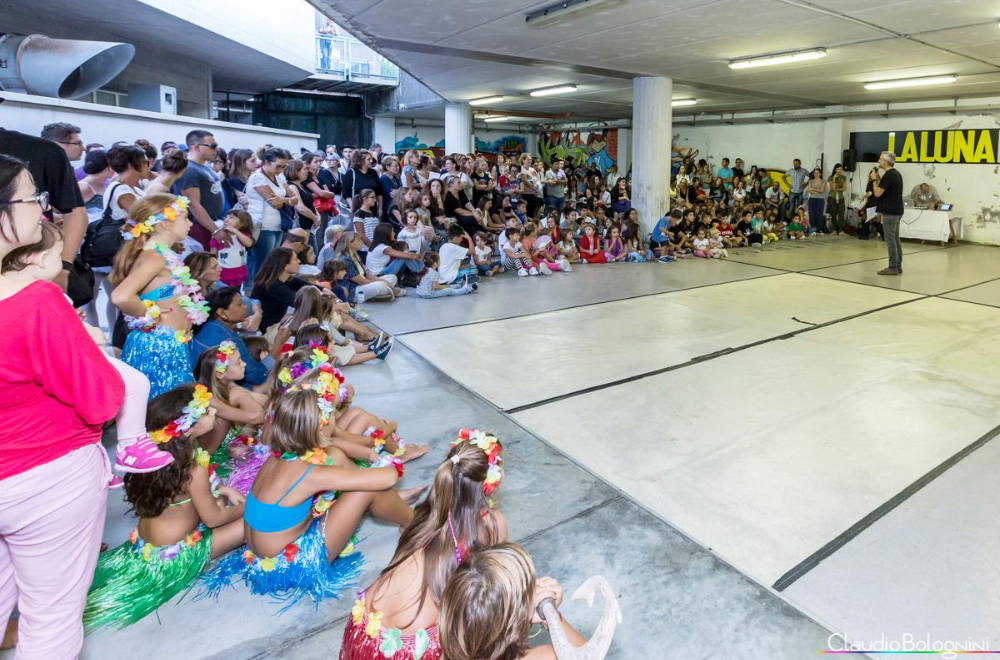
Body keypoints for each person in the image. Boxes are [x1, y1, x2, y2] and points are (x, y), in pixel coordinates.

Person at [0, 153, 125, 657]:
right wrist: (89, 348)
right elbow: (101, 400)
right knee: (49, 620)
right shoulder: (32, 299)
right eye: (33, 197)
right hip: (43, 475)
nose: (44, 208)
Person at [200, 381, 423, 608]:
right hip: (291, 563)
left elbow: (331, 451)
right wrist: (382, 460)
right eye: (331, 417)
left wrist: (348, 450)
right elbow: (388, 478)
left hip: (258, 556)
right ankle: (415, 523)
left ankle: (395, 507)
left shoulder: (278, 456)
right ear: (319, 427)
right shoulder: (310, 473)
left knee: (337, 458)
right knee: (365, 489)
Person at [83, 385, 246, 631]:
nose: (213, 411)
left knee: (226, 496)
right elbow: (214, 519)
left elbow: (189, 498)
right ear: (189, 427)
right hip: (175, 555)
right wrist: (249, 504)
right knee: (258, 519)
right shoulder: (193, 469)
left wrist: (222, 490)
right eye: (206, 411)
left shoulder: (158, 457)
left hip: (142, 546)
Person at [339, 430, 505, 660]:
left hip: (361, 632)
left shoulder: (424, 512)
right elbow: (490, 591)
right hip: (405, 651)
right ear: (491, 482)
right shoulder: (491, 523)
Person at [111, 194, 209, 400]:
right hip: (159, 348)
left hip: (171, 346)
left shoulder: (161, 254)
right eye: (185, 217)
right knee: (163, 416)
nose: (190, 223)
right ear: (165, 223)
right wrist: (148, 314)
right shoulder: (154, 257)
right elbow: (121, 296)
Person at [438, 542, 586, 660]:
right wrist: (551, 615)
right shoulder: (545, 656)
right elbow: (584, 654)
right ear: (513, 623)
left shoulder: (452, 647)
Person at [0, 129, 88, 293]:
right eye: (34, 198)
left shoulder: (42, 150)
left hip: (33, 272)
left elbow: (75, 212)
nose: (43, 207)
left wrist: (64, 268)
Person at [191, 287, 270, 387]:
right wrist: (277, 346)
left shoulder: (209, 326)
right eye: (239, 304)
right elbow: (257, 376)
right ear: (222, 312)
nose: (245, 307)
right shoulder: (228, 339)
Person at [173, 130, 229, 251]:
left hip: (209, 224)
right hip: (199, 226)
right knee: (201, 266)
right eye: (213, 146)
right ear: (197, 147)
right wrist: (215, 230)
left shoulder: (205, 167)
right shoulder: (190, 169)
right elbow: (193, 204)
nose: (216, 150)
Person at [245, 148, 291, 284]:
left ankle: (261, 295)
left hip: (278, 225)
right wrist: (287, 200)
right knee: (261, 265)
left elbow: (294, 199)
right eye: (278, 166)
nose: (281, 169)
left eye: (284, 166)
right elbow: (275, 203)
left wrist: (283, 200)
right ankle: (253, 296)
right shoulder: (257, 177)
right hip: (262, 225)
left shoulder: (279, 176)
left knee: (271, 264)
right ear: (266, 162)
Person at [333, 231, 403, 302]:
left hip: (363, 285)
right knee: (380, 285)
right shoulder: (345, 259)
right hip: (353, 290)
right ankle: (382, 292)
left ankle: (377, 294)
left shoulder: (355, 256)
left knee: (392, 278)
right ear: (350, 243)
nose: (362, 242)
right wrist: (383, 284)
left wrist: (384, 281)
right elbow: (361, 281)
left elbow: (367, 276)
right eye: (359, 240)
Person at [871, 151, 904, 276]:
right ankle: (898, 265)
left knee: (890, 239)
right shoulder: (896, 174)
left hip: (890, 212)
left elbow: (878, 193)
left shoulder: (889, 175)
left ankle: (893, 267)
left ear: (885, 161)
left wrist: (874, 180)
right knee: (895, 238)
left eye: (880, 159)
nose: (879, 161)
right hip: (897, 210)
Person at [804, 168, 829, 234]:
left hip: (820, 199)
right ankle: (813, 228)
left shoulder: (823, 181)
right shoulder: (811, 181)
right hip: (812, 199)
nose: (816, 174)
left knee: (819, 214)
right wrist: (817, 191)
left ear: (820, 174)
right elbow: (809, 190)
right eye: (815, 173)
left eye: (817, 173)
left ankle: (819, 228)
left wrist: (814, 190)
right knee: (812, 214)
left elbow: (822, 190)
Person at [828, 164, 848, 235]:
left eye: (840, 169)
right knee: (833, 214)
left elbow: (844, 188)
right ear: (835, 169)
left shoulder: (843, 177)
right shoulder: (831, 177)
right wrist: (834, 179)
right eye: (838, 169)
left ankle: (841, 231)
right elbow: (832, 188)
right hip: (832, 197)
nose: (839, 171)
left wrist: (837, 189)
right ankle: (834, 230)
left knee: (841, 214)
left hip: (840, 198)